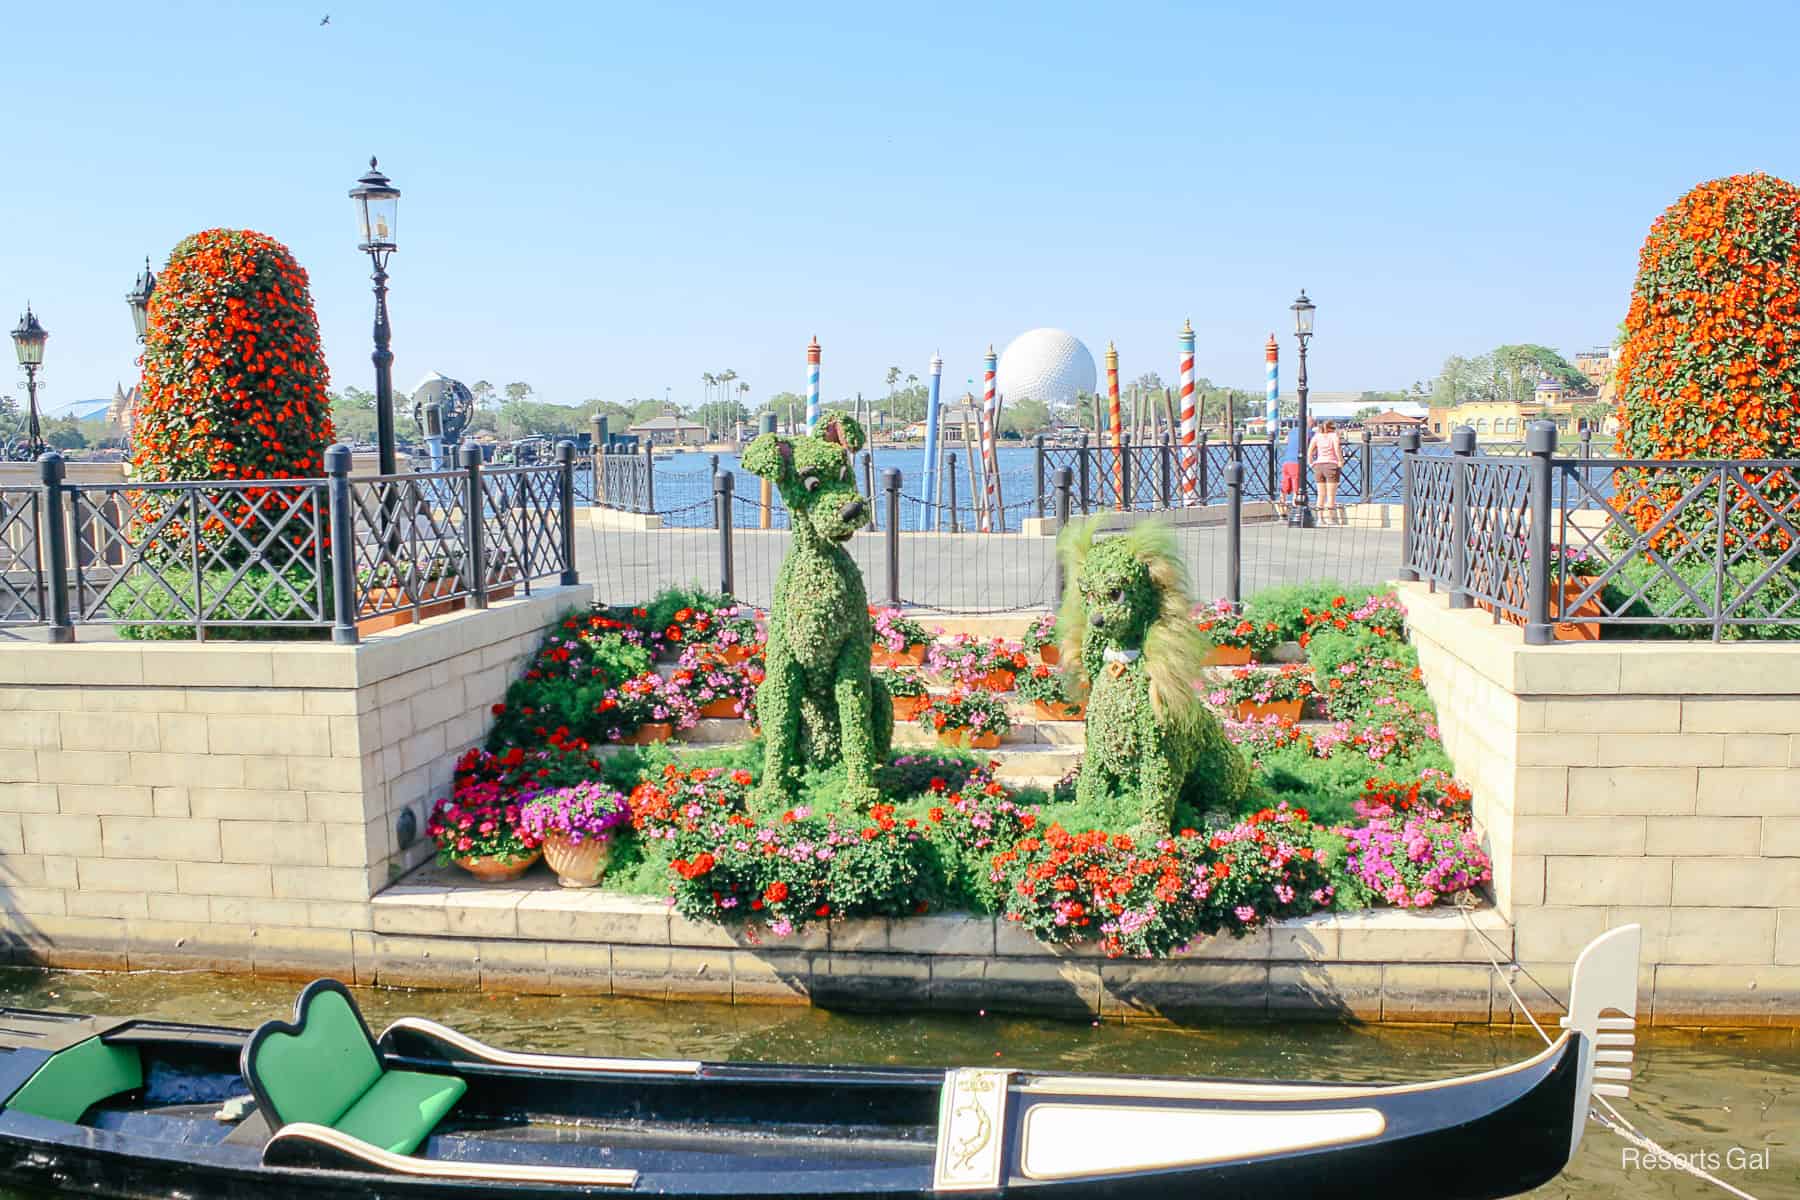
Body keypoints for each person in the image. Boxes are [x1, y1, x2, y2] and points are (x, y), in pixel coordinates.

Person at [1308, 419, 1345, 523]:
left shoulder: (1317, 436)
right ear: (1331, 428)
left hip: (1319, 465)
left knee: (1320, 494)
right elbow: (1337, 449)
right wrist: (1340, 461)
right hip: (1331, 465)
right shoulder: (1334, 436)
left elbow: (1309, 451)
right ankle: (1330, 518)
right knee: (1331, 495)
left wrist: (1311, 463)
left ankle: (1320, 518)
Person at [1279, 420, 1303, 515]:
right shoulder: (1308, 431)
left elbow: (1286, 440)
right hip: (1296, 462)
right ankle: (1295, 507)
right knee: (1296, 484)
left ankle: (1282, 505)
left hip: (1286, 461)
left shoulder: (1292, 431)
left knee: (1285, 484)